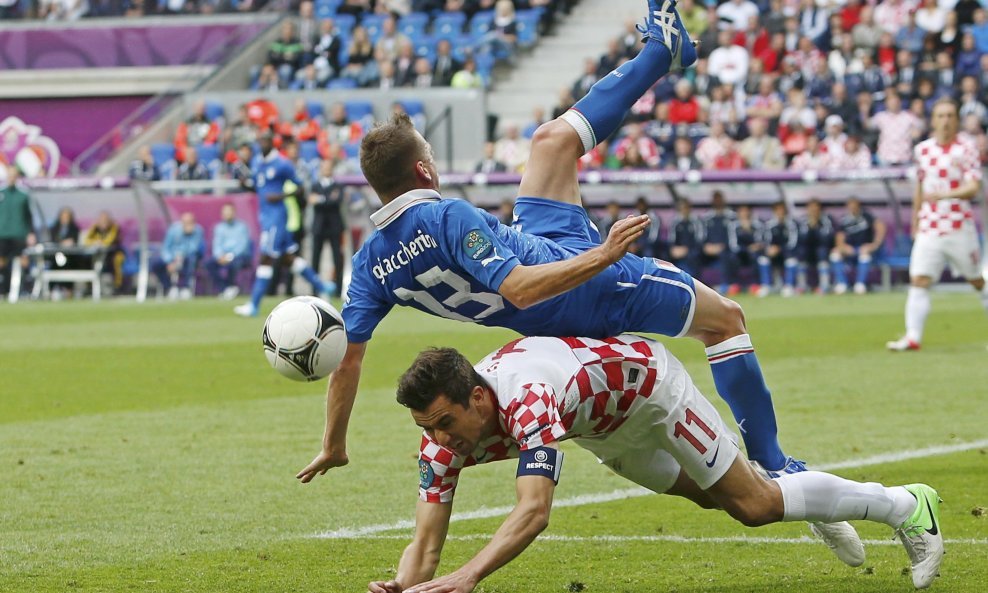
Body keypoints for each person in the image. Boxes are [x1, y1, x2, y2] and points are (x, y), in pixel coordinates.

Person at [298, 1, 860, 558]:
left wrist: (334, 444)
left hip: (547, 243)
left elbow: (347, 359)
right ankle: (776, 465)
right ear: (423, 170)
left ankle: (664, 51)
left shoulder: (371, 262)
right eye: (430, 159)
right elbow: (518, 287)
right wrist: (606, 254)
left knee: (551, 141)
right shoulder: (446, 215)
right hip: (578, 288)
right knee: (726, 322)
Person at [367, 338, 943, 593]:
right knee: (705, 494)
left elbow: (534, 511)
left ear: (478, 398)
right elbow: (425, 543)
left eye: (443, 422)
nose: (438, 439)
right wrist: (404, 585)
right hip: (603, 429)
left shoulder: (527, 397)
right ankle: (804, 496)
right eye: (426, 428)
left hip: (651, 391)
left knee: (753, 506)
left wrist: (469, 577)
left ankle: (906, 505)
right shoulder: (441, 438)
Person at [887, 98, 988, 351]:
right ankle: (912, 337)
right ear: (933, 120)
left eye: (950, 116)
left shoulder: (967, 148)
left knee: (978, 281)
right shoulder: (923, 150)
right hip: (929, 227)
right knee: (919, 279)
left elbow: (974, 186)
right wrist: (915, 221)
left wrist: (945, 195)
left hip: (958, 226)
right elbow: (920, 187)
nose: (945, 121)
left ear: (957, 120)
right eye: (940, 116)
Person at [234, 132, 334, 316]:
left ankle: (254, 305)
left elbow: (300, 187)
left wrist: (280, 196)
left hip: (277, 217)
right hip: (265, 216)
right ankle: (322, 287)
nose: (261, 143)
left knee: (265, 257)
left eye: (265, 140)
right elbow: (257, 185)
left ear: (272, 143)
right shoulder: (257, 162)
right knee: (290, 258)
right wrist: (245, 183)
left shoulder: (282, 164)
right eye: (260, 140)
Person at [830, 196, 886, 295]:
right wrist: (843, 247)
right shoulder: (844, 219)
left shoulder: (867, 216)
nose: (853, 208)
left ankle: (860, 285)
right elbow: (839, 237)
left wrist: (874, 244)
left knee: (864, 255)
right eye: (850, 206)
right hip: (851, 249)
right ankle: (842, 284)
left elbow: (880, 226)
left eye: (855, 206)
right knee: (835, 254)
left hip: (865, 248)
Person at [309, 159, 347, 298]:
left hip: (335, 226)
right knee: (315, 259)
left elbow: (337, 201)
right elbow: (314, 201)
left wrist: (320, 199)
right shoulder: (315, 185)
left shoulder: (338, 186)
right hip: (319, 227)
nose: (326, 169)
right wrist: (327, 199)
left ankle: (338, 290)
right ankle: (314, 289)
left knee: (337, 258)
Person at [0, 161, 36, 298]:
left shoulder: (23, 195)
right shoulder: (1, 193)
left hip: (19, 234)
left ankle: (25, 290)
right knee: (1, 262)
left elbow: (29, 216)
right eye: (9, 175)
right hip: (2, 234)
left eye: (14, 175)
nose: (11, 177)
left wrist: (31, 233)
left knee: (23, 261)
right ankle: (3, 290)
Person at [153, 211, 205, 301]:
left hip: (187, 257)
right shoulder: (173, 230)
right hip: (172, 258)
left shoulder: (198, 231)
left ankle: (186, 288)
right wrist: (169, 261)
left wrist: (179, 259)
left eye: (190, 222)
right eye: (185, 222)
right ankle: (170, 288)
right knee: (155, 264)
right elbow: (166, 247)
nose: (187, 225)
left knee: (191, 259)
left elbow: (194, 249)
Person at [206, 204, 251, 300]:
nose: (227, 215)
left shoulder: (241, 227)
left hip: (239, 256)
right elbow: (217, 244)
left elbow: (242, 246)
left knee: (235, 263)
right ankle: (225, 288)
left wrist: (230, 256)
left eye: (229, 212)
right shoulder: (219, 228)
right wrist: (219, 256)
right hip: (222, 256)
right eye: (225, 213)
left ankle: (231, 286)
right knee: (209, 264)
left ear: (234, 213)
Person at [758, 201, 799, 297]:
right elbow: (766, 241)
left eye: (782, 210)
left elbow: (793, 243)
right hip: (773, 254)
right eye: (778, 210)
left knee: (791, 260)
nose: (780, 212)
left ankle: (788, 286)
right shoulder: (769, 225)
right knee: (763, 259)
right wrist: (769, 249)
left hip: (787, 252)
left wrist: (779, 249)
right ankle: (766, 286)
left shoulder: (792, 225)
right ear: (774, 211)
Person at [701, 190, 738, 295]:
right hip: (709, 250)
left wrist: (722, 246)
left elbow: (733, 237)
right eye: (715, 198)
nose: (717, 201)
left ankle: (725, 285)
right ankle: (698, 287)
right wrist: (705, 246)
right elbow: (701, 237)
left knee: (727, 255)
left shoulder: (732, 217)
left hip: (726, 249)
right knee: (694, 255)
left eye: (719, 198)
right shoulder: (706, 218)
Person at [797, 198, 835, 294]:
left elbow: (827, 239)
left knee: (822, 251)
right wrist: (811, 227)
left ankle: (824, 285)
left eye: (816, 207)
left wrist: (816, 228)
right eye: (811, 207)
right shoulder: (803, 221)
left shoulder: (827, 220)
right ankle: (802, 285)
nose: (814, 210)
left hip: (823, 249)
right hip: (807, 250)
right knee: (801, 252)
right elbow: (801, 239)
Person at [83, 211, 125, 291]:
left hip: (113, 253)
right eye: (101, 220)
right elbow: (87, 240)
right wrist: (95, 241)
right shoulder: (95, 228)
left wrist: (100, 242)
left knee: (117, 260)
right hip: (98, 253)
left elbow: (109, 241)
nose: (103, 222)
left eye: (105, 220)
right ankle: (89, 287)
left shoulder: (114, 227)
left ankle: (118, 286)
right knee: (86, 261)